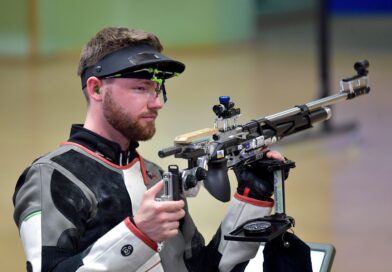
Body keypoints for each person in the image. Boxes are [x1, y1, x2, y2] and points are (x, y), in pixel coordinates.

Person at [13, 27, 285, 272]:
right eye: (141, 88)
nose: (157, 103)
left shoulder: (154, 177)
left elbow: (204, 269)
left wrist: (252, 198)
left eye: (158, 90)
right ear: (96, 89)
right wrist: (138, 233)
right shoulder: (51, 177)